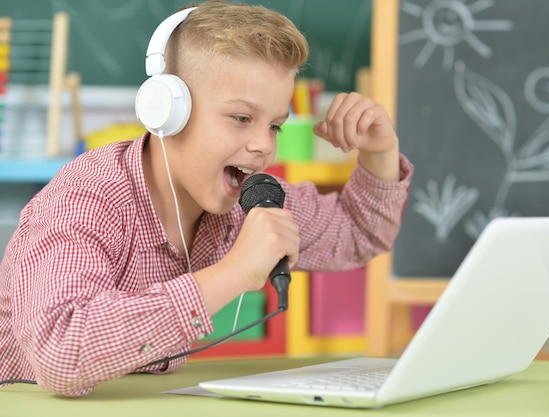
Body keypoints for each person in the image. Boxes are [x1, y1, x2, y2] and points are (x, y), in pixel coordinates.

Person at [0, 0, 413, 397]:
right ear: (167, 111)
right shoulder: (86, 198)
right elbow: (60, 352)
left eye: (275, 126)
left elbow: (359, 233)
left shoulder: (246, 201)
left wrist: (380, 152)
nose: (262, 146)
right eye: (241, 118)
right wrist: (235, 272)